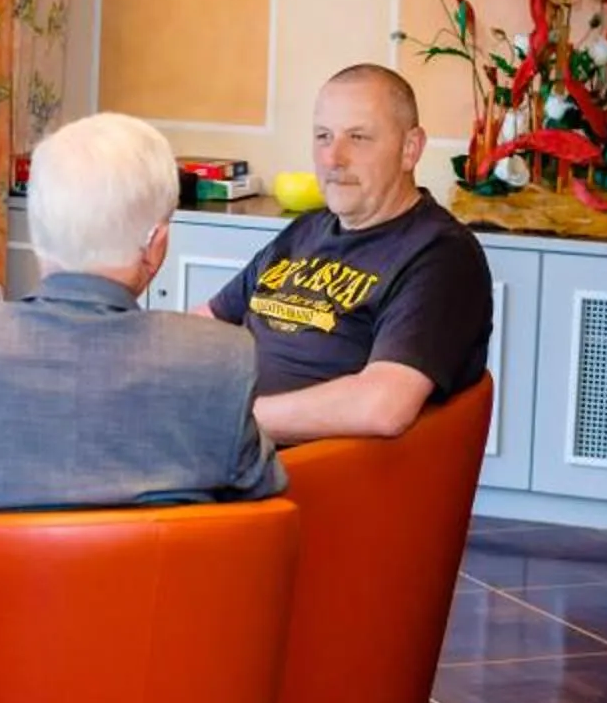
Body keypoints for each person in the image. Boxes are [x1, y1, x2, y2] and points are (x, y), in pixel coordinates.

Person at [0, 112, 283, 510]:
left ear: (36, 236)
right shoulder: (220, 360)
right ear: (157, 244)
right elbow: (262, 506)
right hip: (152, 574)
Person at [201, 63, 494, 445]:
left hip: (298, 473)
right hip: (222, 445)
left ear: (410, 149)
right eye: (323, 136)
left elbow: (383, 405)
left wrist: (228, 419)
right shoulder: (306, 230)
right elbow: (208, 323)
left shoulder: (440, 257)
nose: (332, 158)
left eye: (358, 137)